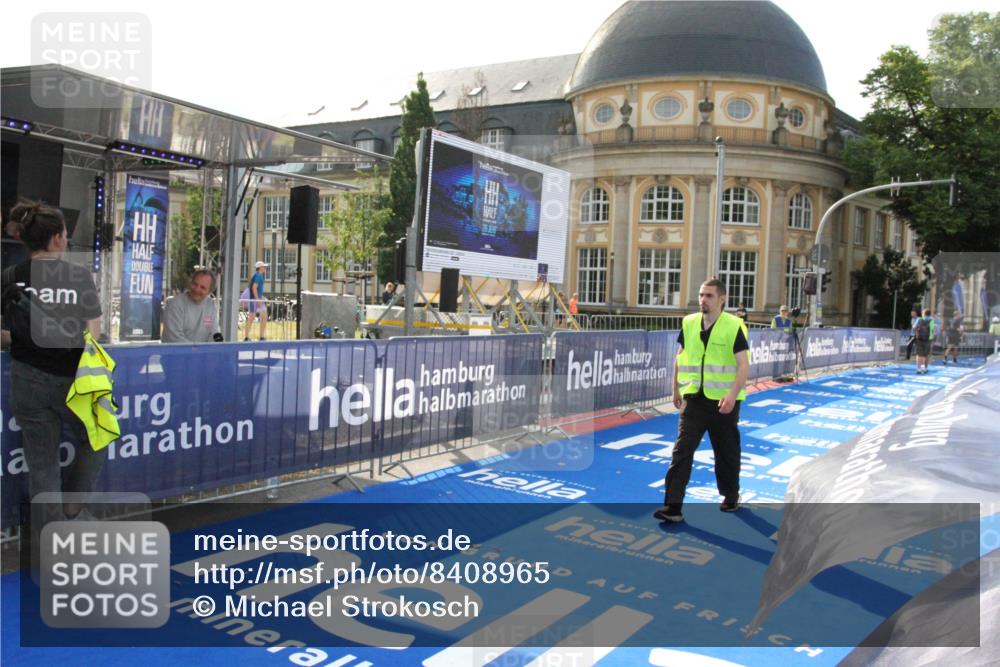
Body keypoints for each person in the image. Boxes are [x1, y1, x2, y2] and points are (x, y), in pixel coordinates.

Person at [0, 200, 104, 522]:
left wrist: (29, 336)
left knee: (42, 465)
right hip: (72, 380)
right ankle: (73, 510)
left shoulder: (10, 276)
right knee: (97, 436)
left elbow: (3, 335)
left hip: (26, 380)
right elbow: (94, 335)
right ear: (57, 237)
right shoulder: (79, 276)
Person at [654, 278, 750, 523]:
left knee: (726, 450)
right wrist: (675, 389)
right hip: (693, 399)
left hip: (723, 403)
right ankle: (673, 507)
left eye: (708, 295)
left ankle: (730, 495)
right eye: (700, 294)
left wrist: (731, 395)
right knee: (682, 450)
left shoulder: (734, 326)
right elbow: (680, 357)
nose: (703, 300)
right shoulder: (689, 323)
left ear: (721, 299)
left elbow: (743, 365)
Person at [162, 269, 223, 343]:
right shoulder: (175, 304)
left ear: (209, 292)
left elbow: (215, 331)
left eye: (202, 287)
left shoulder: (210, 305)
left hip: (200, 352)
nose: (197, 289)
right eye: (195, 284)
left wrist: (220, 344)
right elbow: (175, 338)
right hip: (176, 353)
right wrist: (198, 351)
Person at [241, 261, 268, 341]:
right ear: (260, 268)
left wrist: (262, 297)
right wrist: (258, 300)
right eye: (264, 267)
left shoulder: (257, 275)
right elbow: (254, 288)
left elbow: (255, 289)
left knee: (260, 316)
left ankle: (258, 337)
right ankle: (258, 337)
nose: (265, 268)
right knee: (254, 317)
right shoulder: (258, 276)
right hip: (255, 300)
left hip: (255, 299)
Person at [913, 308, 935, 374]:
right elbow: (933, 330)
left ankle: (918, 369)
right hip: (928, 339)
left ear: (923, 314)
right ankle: (925, 369)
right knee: (926, 355)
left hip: (919, 339)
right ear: (930, 314)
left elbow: (914, 327)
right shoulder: (932, 320)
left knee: (919, 354)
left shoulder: (919, 319)